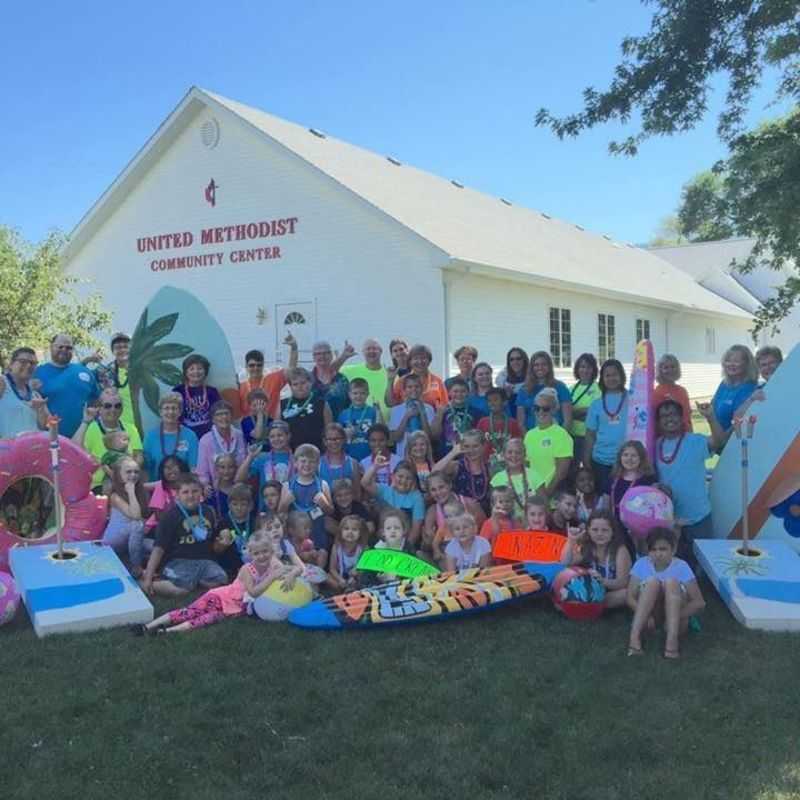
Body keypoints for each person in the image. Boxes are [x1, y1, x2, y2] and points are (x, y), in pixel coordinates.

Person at [136, 529, 286, 635]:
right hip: (221, 597)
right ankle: (148, 626)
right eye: (256, 553)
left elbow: (294, 569)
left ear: (271, 551)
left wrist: (291, 574)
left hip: (234, 609)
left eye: (265, 552)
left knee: (206, 620)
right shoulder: (248, 569)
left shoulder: (273, 562)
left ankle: (167, 632)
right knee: (190, 612)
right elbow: (253, 592)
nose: (262, 556)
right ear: (251, 554)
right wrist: (272, 577)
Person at [654, 399, 724, 560]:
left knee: (705, 564)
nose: (669, 418)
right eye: (664, 416)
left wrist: (710, 417)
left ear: (681, 417)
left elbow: (719, 441)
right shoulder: (655, 445)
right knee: (674, 564)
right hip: (670, 519)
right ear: (658, 422)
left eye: (673, 414)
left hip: (698, 516)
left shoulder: (695, 441)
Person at [140, 473, 227, 597]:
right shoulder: (170, 517)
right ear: (177, 495)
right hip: (178, 561)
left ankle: (193, 581)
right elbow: (158, 549)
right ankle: (149, 583)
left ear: (201, 492)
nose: (191, 496)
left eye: (195, 491)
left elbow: (212, 540)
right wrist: (148, 577)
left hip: (204, 560)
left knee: (221, 579)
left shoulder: (208, 511)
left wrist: (221, 542)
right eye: (185, 492)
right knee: (181, 591)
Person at [627, 527, 706, 659]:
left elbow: (699, 603)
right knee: (652, 582)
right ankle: (634, 638)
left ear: (673, 550)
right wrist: (646, 617)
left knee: (671, 582)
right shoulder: (641, 564)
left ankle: (671, 643)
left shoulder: (681, 566)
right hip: (651, 616)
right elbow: (630, 597)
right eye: (653, 549)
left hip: (677, 619)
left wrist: (674, 618)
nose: (658, 554)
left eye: (663, 549)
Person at [73, 388, 144, 491]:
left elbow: (139, 457)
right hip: (99, 486)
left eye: (118, 406)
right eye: (107, 406)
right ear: (99, 408)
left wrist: (129, 474)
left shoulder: (131, 428)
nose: (113, 410)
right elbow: (75, 449)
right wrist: (85, 422)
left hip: (129, 483)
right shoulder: (90, 428)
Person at [33, 334, 100, 437]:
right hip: (48, 439)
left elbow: (96, 402)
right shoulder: (36, 373)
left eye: (69, 347)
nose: (64, 350)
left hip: (82, 440)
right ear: (51, 347)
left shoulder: (85, 372)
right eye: (60, 346)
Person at [280, 444, 334, 560]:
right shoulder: (287, 486)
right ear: (295, 463)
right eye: (303, 461)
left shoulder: (322, 485)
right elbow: (281, 512)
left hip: (317, 533)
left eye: (312, 462)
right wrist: (285, 502)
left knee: (319, 560)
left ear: (318, 464)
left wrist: (324, 503)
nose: (307, 465)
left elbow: (330, 511)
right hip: (295, 537)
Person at [570, 511, 631, 609]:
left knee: (625, 594)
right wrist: (572, 540)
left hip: (612, 592)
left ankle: (587, 607)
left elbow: (623, 583)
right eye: (595, 530)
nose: (599, 534)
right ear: (588, 531)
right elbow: (567, 564)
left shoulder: (620, 550)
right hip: (591, 591)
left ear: (613, 532)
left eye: (605, 530)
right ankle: (588, 606)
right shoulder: (587, 547)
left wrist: (602, 581)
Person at [584, 359, 629, 491]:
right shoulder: (596, 404)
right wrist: (586, 459)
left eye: (615, 374)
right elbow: (590, 434)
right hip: (601, 461)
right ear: (602, 378)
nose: (611, 378)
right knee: (604, 499)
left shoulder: (633, 400)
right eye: (607, 375)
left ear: (621, 376)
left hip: (627, 461)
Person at [362, 458, 425, 547]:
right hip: (383, 539)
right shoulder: (385, 490)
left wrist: (406, 548)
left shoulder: (416, 497)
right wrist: (375, 467)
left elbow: (416, 529)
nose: (403, 481)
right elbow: (365, 483)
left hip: (404, 542)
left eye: (408, 478)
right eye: (400, 476)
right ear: (393, 476)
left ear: (414, 481)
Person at [522, 387, 573, 496]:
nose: (540, 412)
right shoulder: (529, 435)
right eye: (537, 408)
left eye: (545, 408)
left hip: (553, 493)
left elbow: (561, 472)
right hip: (533, 493)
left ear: (554, 409)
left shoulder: (561, 434)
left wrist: (546, 493)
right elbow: (526, 467)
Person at [103, 457, 149, 574]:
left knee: (156, 547)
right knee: (138, 525)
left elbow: (159, 484)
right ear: (119, 475)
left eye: (136, 472)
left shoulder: (140, 489)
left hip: (131, 538)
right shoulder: (115, 496)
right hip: (113, 541)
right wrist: (131, 492)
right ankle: (136, 567)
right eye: (128, 472)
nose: (133, 475)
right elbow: (136, 516)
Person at [424, 471, 486, 558]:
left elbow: (484, 528)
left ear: (449, 485)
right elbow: (430, 540)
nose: (438, 492)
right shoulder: (433, 511)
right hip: (448, 552)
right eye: (433, 490)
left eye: (441, 487)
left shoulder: (468, 503)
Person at [237, 334, 298, 419]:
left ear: (263, 365)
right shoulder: (241, 387)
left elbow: (291, 370)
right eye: (252, 365)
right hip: (249, 429)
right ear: (246, 366)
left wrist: (294, 348)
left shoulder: (273, 379)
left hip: (271, 427)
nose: (256, 368)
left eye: (259, 365)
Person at [89, 332, 138, 434]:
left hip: (141, 424)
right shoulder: (104, 372)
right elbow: (81, 376)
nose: (122, 350)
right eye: (118, 347)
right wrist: (88, 360)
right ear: (113, 351)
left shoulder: (141, 370)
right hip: (116, 426)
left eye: (126, 346)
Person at [142, 392, 199, 479]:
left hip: (182, 488)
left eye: (174, 408)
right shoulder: (150, 436)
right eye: (166, 408)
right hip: (156, 487)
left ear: (180, 412)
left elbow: (193, 467)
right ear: (160, 412)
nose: (170, 412)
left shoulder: (190, 436)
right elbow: (145, 468)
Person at [433, 432, 491, 514]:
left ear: (483, 446)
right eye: (466, 446)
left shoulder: (489, 467)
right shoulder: (457, 465)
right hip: (461, 516)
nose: (471, 450)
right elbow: (433, 473)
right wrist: (453, 453)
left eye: (475, 446)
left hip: (485, 516)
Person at [237, 420, 294, 504]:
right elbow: (239, 479)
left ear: (288, 436)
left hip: (290, 508)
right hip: (266, 510)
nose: (276, 439)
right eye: (272, 436)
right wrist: (250, 457)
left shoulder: (296, 459)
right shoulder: (262, 458)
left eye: (280, 435)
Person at [489, 439, 546, 521]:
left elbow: (544, 505)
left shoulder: (535, 476)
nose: (514, 456)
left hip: (533, 523)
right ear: (503, 455)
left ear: (524, 455)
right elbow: (493, 510)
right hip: (507, 526)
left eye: (518, 453)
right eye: (510, 452)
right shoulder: (497, 480)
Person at [516, 351, 573, 431]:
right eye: (536, 365)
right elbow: (521, 423)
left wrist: (559, 438)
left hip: (556, 436)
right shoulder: (524, 390)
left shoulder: (560, 387)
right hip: (532, 437)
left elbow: (568, 420)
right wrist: (528, 439)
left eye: (544, 364)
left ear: (549, 366)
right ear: (531, 368)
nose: (540, 367)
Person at [196, 401, 246, 490]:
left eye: (226, 413)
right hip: (215, 489)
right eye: (219, 414)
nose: (224, 417)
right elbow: (202, 471)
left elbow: (243, 462)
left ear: (232, 416)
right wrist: (205, 486)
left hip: (238, 487)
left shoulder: (240, 435)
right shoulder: (205, 440)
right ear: (213, 419)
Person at [711, 344, 758, 436]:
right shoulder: (724, 384)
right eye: (728, 361)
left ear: (747, 364)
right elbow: (713, 406)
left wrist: (723, 440)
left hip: (735, 440)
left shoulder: (749, 388)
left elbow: (740, 421)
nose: (731, 364)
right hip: (718, 440)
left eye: (736, 361)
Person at [0, 347, 48, 437]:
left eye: (33, 363)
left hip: (33, 448)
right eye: (23, 361)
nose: (29, 365)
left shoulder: (35, 394)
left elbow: (45, 426)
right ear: (11, 364)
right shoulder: (3, 383)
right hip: (7, 449)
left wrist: (40, 410)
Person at [280, 367, 332, 450]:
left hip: (316, 451)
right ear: (290, 386)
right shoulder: (282, 404)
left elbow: (329, 431)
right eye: (295, 384)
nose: (299, 387)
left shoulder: (322, 404)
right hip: (291, 453)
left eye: (303, 383)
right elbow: (278, 431)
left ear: (310, 383)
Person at [172, 354, 222, 440]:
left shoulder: (212, 391)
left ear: (205, 371)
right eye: (192, 369)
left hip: (210, 435)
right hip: (185, 436)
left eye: (199, 368)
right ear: (186, 372)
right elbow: (173, 416)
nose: (196, 372)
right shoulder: (178, 391)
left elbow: (219, 414)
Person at [386, 344, 448, 409]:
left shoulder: (438, 381)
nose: (420, 361)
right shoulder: (402, 381)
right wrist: (390, 380)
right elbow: (390, 403)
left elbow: (445, 406)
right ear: (410, 362)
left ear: (429, 361)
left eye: (423, 358)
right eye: (416, 359)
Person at [340, 338, 391, 418]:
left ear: (381, 351)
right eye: (368, 349)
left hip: (387, 427)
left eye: (374, 348)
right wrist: (343, 357)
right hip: (358, 426)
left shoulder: (390, 374)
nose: (371, 351)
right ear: (363, 352)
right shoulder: (351, 370)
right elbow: (331, 371)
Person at [608, 440, 657, 522]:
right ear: (620, 457)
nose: (629, 459)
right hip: (614, 525)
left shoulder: (648, 480)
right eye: (625, 455)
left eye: (634, 455)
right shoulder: (613, 477)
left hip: (637, 526)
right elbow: (606, 503)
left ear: (641, 458)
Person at [389, 373, 435, 457]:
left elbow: (429, 437)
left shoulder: (429, 409)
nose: (414, 389)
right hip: (403, 456)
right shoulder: (396, 410)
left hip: (424, 457)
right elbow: (395, 438)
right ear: (404, 390)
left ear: (422, 388)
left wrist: (422, 414)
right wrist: (406, 416)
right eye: (409, 387)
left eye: (417, 386)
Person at [477, 388, 521, 475]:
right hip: (487, 466)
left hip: (508, 466)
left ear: (504, 402)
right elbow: (478, 445)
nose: (492, 403)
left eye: (495, 400)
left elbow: (518, 445)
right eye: (489, 401)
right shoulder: (483, 422)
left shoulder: (512, 423)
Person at [432, 377, 479, 457]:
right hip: (445, 454)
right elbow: (434, 435)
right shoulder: (442, 410)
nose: (459, 394)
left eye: (463, 391)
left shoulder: (476, 412)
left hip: (468, 455)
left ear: (468, 393)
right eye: (455, 391)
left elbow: (478, 438)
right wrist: (439, 415)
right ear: (449, 393)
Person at [338, 377, 381, 462]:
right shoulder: (343, 414)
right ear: (349, 394)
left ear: (367, 394)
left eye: (362, 393)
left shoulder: (373, 412)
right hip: (349, 455)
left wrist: (379, 412)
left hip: (369, 455)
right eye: (355, 393)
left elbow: (379, 431)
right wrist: (344, 433)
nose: (358, 396)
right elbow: (338, 436)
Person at [569, 353, 601, 462]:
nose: (585, 370)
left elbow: (594, 412)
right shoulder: (571, 389)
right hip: (571, 436)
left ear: (593, 369)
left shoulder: (599, 388)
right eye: (582, 366)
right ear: (577, 369)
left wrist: (574, 413)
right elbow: (566, 412)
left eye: (588, 367)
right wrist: (582, 412)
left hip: (589, 438)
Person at [310, 340, 354, 419]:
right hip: (313, 429)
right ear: (313, 357)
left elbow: (350, 406)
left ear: (331, 355)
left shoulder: (342, 380)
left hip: (339, 428)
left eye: (326, 353)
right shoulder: (307, 380)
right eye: (318, 354)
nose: (322, 356)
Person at [319, 423, 362, 500]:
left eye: (337, 438)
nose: (334, 442)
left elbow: (357, 494)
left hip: (348, 508)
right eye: (330, 439)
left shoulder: (353, 463)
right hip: (326, 508)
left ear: (344, 440)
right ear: (324, 441)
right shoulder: (318, 464)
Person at [144, 455, 187, 531]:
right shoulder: (160, 486)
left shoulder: (189, 486)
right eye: (166, 467)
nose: (170, 470)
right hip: (158, 527)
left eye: (174, 466)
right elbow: (158, 516)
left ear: (181, 468)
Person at [652, 354, 693, 433]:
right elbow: (656, 421)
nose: (670, 370)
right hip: (669, 437)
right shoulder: (656, 393)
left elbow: (687, 417)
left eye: (673, 367)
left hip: (686, 434)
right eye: (666, 367)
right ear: (660, 370)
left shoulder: (682, 391)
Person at [328, 514, 368, 591]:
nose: (350, 532)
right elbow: (332, 568)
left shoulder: (363, 547)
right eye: (346, 529)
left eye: (354, 529)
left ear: (360, 533)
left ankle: (352, 588)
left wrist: (357, 573)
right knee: (328, 577)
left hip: (355, 576)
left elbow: (364, 567)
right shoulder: (336, 547)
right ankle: (342, 588)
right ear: (341, 531)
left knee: (359, 579)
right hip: (339, 576)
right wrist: (340, 579)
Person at [495, 347, 529, 417]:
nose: (515, 362)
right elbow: (498, 380)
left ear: (524, 360)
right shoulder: (504, 377)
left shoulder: (532, 377)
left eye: (518, 358)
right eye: (511, 359)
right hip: (509, 418)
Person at [206, 452, 238, 520]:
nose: (226, 471)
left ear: (236, 468)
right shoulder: (210, 491)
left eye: (230, 467)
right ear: (216, 469)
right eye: (222, 467)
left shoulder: (240, 490)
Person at [405, 430, 435, 496]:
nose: (419, 448)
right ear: (409, 448)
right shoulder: (405, 466)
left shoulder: (433, 465)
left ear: (427, 447)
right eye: (414, 445)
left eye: (422, 444)